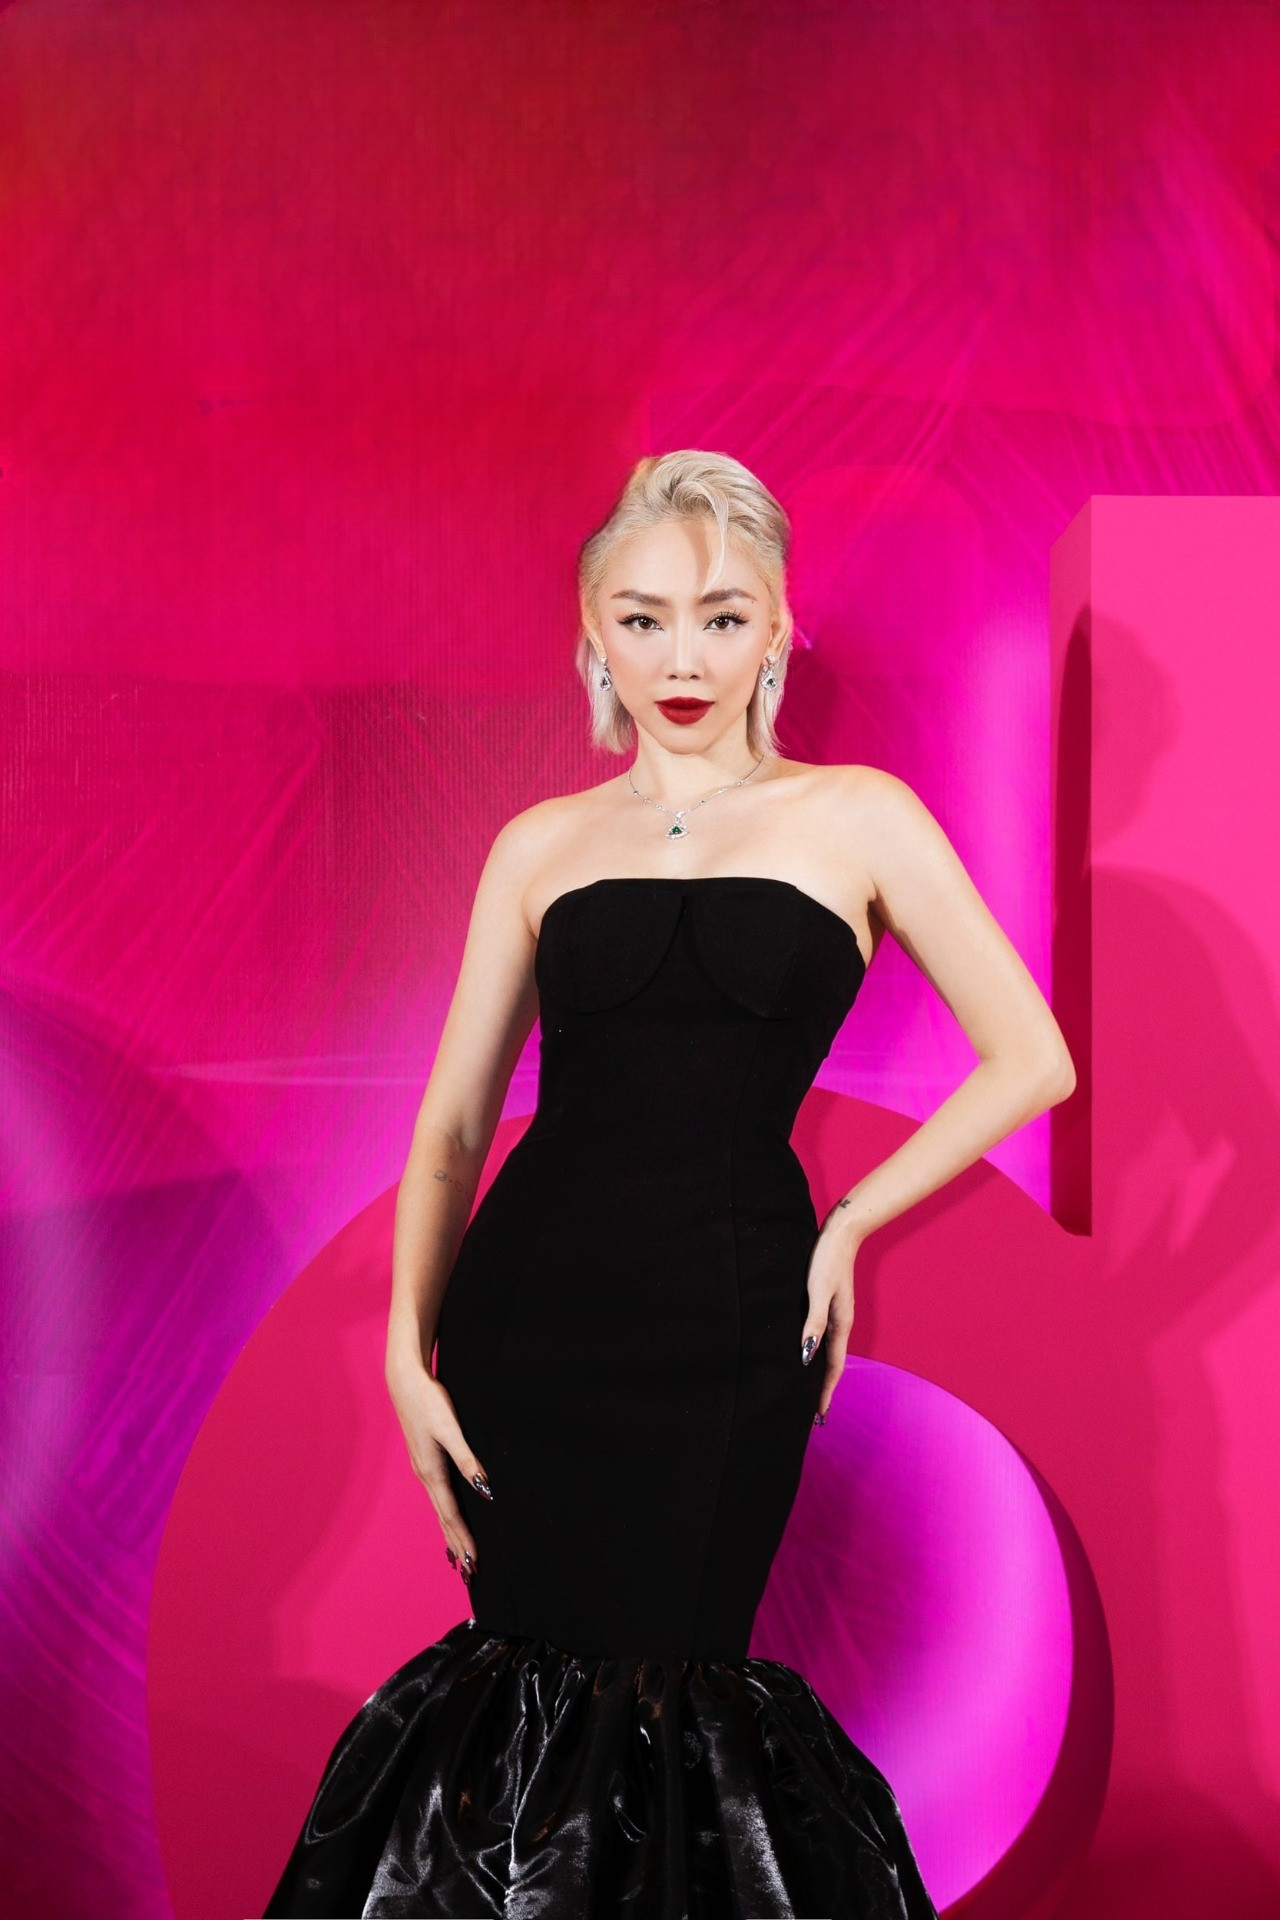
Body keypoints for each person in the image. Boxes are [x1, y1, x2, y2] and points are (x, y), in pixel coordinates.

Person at [264, 450, 1076, 1918]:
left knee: (675, 1676)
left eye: (721, 617)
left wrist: (854, 1220)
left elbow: (1033, 1058)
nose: (682, 659)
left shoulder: (861, 817)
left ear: (779, 631)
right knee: (522, 1685)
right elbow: (453, 1126)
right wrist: (401, 1349)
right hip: (526, 1321)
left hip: (729, 1316)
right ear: (593, 637)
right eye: (641, 621)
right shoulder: (540, 844)